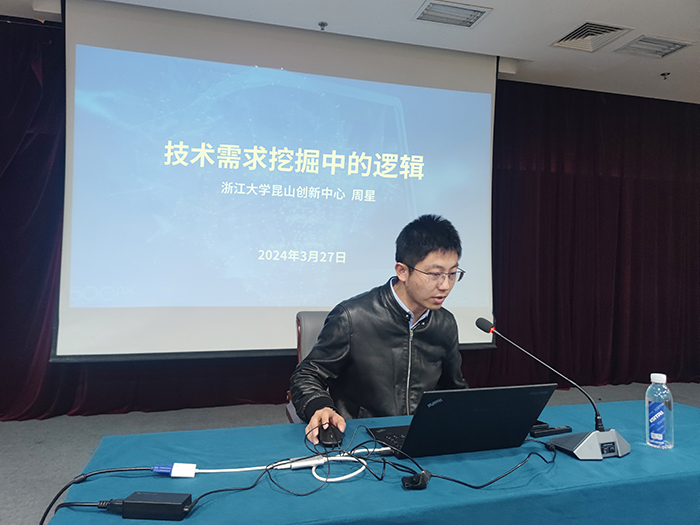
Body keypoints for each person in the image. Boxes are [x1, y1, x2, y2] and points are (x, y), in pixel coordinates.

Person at [290, 214, 468, 444]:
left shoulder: (445, 323)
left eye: (452, 274)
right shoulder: (352, 317)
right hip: (361, 437)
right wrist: (319, 406)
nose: (445, 285)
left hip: (420, 437)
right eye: (435, 274)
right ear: (402, 271)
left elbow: (453, 388)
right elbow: (306, 375)